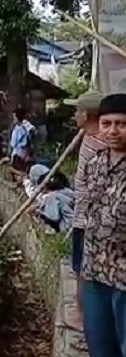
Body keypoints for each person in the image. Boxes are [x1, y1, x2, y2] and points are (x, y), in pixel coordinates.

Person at [77, 93, 126, 357]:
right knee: (100, 347)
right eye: (107, 124)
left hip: (124, 278)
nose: (113, 131)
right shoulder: (94, 164)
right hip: (95, 272)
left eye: (121, 124)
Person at [68, 90, 105, 329]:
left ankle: (82, 317)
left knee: (83, 268)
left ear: (86, 114)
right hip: (83, 215)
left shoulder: (97, 144)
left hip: (88, 220)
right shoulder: (88, 137)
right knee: (81, 267)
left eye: (77, 111)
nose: (74, 115)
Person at [8, 108, 32, 180]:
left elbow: (14, 143)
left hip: (19, 154)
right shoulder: (19, 128)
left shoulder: (20, 129)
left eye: (14, 118)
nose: (13, 119)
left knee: (17, 172)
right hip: (18, 153)